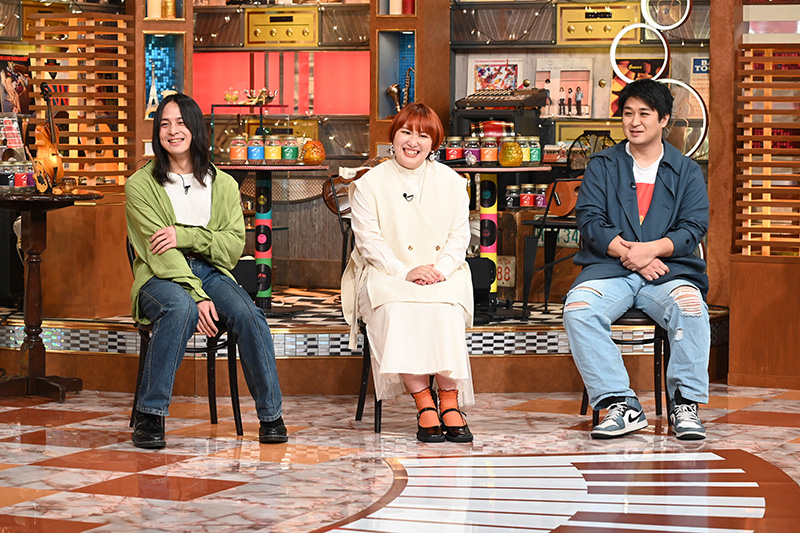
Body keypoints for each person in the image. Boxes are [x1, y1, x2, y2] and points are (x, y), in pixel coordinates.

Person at [125, 93, 287, 449]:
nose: (173, 131)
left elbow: (231, 248)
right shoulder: (140, 185)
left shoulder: (224, 184)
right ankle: (150, 414)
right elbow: (159, 254)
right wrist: (197, 296)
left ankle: (271, 416)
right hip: (159, 276)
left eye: (181, 123)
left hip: (212, 273)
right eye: (164, 124)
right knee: (179, 308)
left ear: (196, 128)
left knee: (250, 316)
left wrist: (184, 235)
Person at [563, 78, 710, 441]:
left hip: (668, 271)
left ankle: (684, 404)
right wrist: (634, 254)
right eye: (628, 113)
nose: (634, 121)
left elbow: (694, 227)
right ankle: (621, 403)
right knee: (578, 310)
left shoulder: (687, 170)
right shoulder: (602, 164)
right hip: (610, 269)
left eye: (644, 113)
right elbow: (590, 221)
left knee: (691, 308)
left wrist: (652, 250)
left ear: (664, 119)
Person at [341, 103, 475, 443]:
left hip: (443, 271)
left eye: (423, 135)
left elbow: (459, 237)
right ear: (393, 137)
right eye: (406, 132)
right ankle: (424, 400)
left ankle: (449, 400)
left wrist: (440, 270)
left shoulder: (453, 182)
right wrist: (405, 271)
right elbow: (369, 241)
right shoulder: (369, 184)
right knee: (397, 309)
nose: (413, 142)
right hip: (387, 272)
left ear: (434, 143)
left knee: (444, 308)